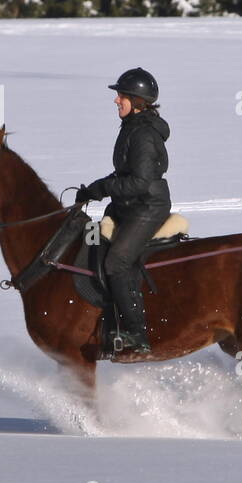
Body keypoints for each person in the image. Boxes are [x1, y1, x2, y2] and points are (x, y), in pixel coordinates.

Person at [76, 68, 171, 356]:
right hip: (128, 204)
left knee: (117, 261)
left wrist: (103, 187)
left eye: (122, 96)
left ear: (138, 101)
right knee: (91, 240)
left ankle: (135, 333)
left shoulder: (142, 133)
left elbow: (140, 182)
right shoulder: (133, 127)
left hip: (147, 207)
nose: (116, 101)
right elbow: (126, 173)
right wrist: (94, 189)